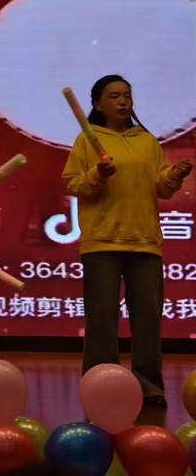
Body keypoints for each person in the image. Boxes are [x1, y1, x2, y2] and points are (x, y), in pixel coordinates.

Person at [63, 74, 191, 407]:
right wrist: (97, 174)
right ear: (98, 104)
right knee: (102, 323)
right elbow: (73, 184)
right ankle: (100, 387)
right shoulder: (87, 141)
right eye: (114, 96)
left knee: (148, 321)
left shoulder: (147, 141)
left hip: (145, 242)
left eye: (127, 96)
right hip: (102, 242)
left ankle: (149, 388)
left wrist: (174, 175)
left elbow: (160, 188)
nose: (122, 102)